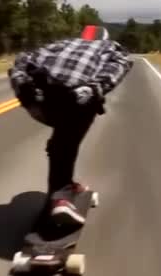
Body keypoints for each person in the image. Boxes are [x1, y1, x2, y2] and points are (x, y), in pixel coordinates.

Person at [8, 25, 133, 226]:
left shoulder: (60, 44)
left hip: (36, 101)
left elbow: (22, 59)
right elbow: (118, 67)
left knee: (60, 142)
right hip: (72, 100)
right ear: (105, 38)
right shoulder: (111, 48)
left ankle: (64, 185)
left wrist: (22, 85)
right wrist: (94, 88)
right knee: (68, 137)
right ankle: (61, 197)